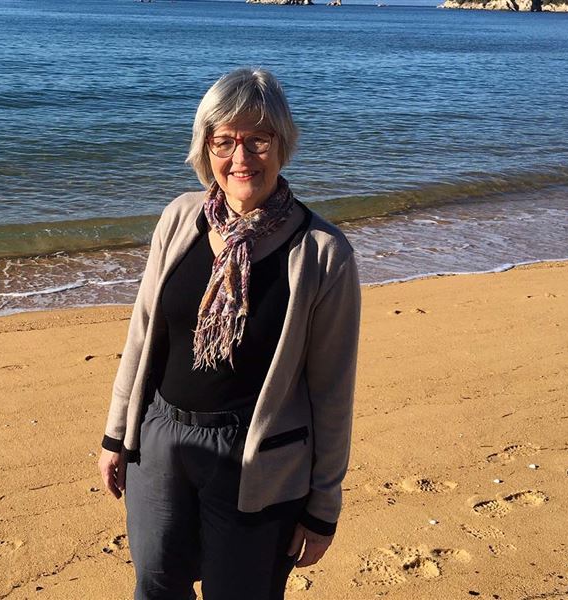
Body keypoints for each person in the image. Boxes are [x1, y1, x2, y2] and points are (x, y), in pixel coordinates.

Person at [97, 67, 361, 600]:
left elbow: (332, 392)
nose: (241, 158)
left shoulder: (323, 254)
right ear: (205, 146)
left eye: (259, 140)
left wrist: (322, 504)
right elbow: (144, 332)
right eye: (225, 140)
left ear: (282, 145)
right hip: (161, 441)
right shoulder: (179, 219)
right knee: (155, 585)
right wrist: (115, 435)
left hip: (257, 457)